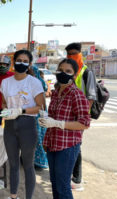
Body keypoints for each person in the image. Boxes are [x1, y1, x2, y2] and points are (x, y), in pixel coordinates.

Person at [39, 58, 90, 199]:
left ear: (74, 75)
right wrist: (46, 124)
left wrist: (58, 123)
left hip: (67, 146)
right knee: (54, 183)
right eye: (61, 70)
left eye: (68, 71)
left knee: (63, 186)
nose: (63, 73)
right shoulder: (56, 93)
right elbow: (53, 118)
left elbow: (85, 123)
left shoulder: (76, 94)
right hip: (53, 144)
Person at [0, 50, 45, 199]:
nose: (21, 63)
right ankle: (13, 196)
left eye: (25, 61)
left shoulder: (34, 82)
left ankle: (28, 197)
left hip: (27, 125)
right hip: (10, 126)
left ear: (29, 64)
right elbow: (4, 102)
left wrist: (21, 110)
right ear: (14, 61)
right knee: (13, 164)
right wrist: (7, 111)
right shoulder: (5, 82)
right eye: (19, 60)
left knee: (28, 165)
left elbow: (40, 106)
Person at [65, 42, 97, 191]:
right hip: (67, 116)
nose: (70, 57)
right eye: (68, 54)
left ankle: (77, 179)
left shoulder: (86, 72)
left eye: (73, 54)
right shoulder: (69, 71)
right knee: (70, 145)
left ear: (80, 55)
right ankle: (70, 174)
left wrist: (83, 117)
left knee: (76, 145)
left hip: (79, 118)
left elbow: (91, 97)